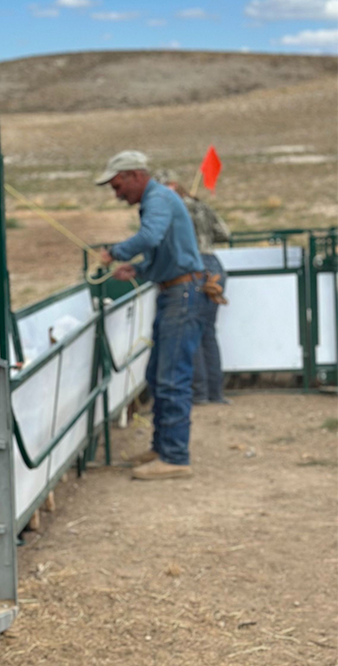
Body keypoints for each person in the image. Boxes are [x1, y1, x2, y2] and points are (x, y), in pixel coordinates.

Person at [95, 150, 205, 480]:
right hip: (177, 290)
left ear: (134, 176)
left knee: (170, 376)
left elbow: (150, 237)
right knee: (160, 374)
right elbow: (164, 250)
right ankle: (163, 447)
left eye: (117, 185)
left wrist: (115, 252)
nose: (117, 194)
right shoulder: (160, 198)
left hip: (181, 293)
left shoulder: (158, 199)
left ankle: (174, 456)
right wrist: (139, 268)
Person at [154, 170, 232, 405]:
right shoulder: (201, 206)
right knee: (208, 332)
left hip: (191, 268)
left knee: (192, 333)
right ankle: (215, 393)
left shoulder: (169, 209)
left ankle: (198, 393)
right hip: (214, 265)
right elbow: (225, 233)